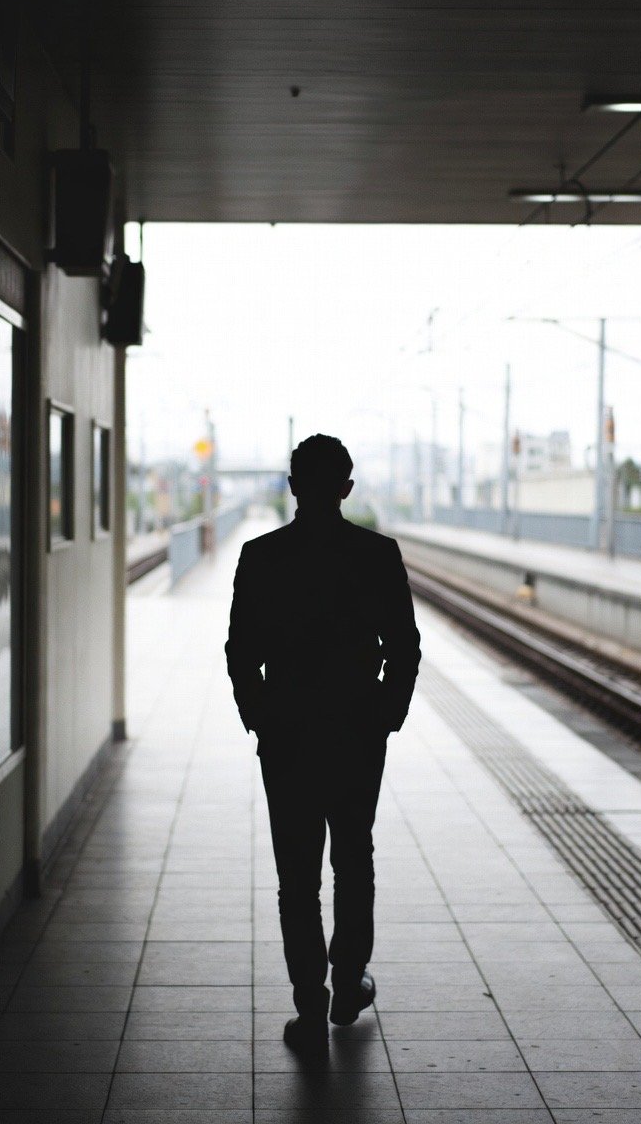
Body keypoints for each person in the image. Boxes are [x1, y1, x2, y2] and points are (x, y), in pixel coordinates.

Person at [225, 433, 421, 1058]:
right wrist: (387, 713)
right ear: (346, 489)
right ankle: (346, 986)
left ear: (291, 487)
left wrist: (258, 715)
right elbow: (405, 646)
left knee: (296, 874)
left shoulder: (260, 557)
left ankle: (309, 1003)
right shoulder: (377, 554)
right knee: (353, 859)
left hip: (287, 734)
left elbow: (240, 653)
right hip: (357, 731)